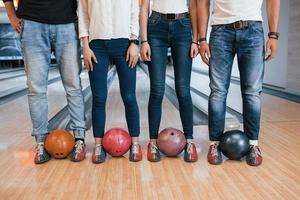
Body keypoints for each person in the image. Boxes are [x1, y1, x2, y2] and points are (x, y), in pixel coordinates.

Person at [198, 0, 280, 166]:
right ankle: (214, 143)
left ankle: (253, 145)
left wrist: (273, 35)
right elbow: (203, 2)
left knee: (252, 92)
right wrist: (202, 39)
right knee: (218, 91)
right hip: (220, 31)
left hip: (253, 29)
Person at [4, 0, 87, 164]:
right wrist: (11, 15)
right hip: (32, 23)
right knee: (36, 89)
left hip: (67, 24)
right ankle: (41, 142)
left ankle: (79, 139)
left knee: (73, 86)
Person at [78, 0, 142, 163]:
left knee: (129, 96)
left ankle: (135, 143)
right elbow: (83, 14)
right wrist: (85, 46)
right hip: (96, 45)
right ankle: (98, 146)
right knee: (99, 97)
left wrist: (134, 42)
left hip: (124, 44)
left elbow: (135, 11)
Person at [140, 0, 199, 162]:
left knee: (183, 90)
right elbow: (144, 7)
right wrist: (143, 41)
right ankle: (153, 142)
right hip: (155, 26)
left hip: (183, 26)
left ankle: (189, 141)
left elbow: (194, 6)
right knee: (157, 90)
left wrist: (195, 39)